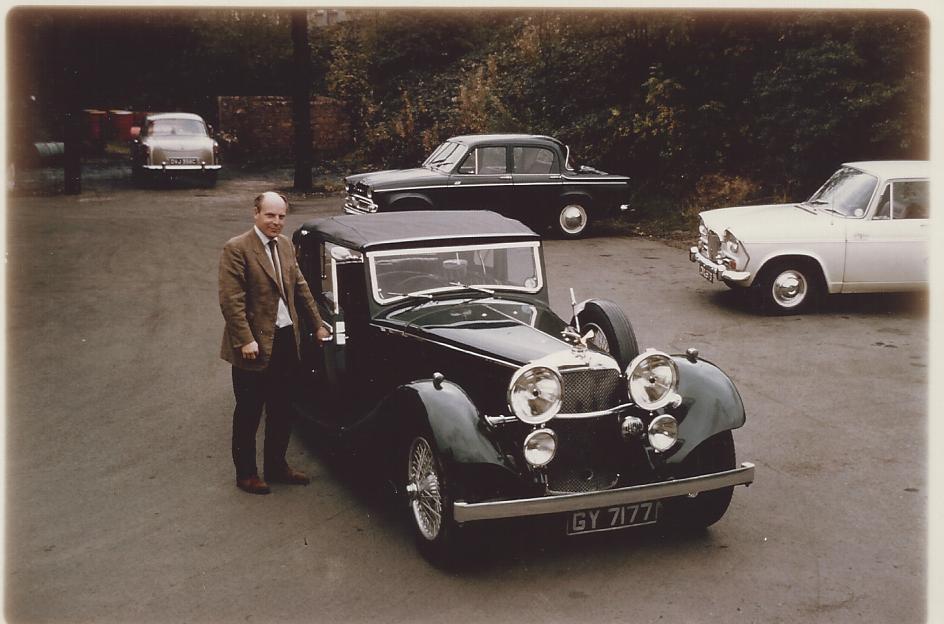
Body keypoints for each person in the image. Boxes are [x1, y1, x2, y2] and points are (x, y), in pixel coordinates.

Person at [219, 191, 330, 494]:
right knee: (249, 411)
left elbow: (301, 288)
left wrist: (317, 325)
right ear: (256, 213)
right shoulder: (237, 248)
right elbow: (231, 301)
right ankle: (246, 474)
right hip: (252, 345)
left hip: (285, 340)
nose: (276, 222)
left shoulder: (285, 245)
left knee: (283, 408)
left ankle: (276, 466)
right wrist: (245, 339)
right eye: (270, 215)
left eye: (281, 216)